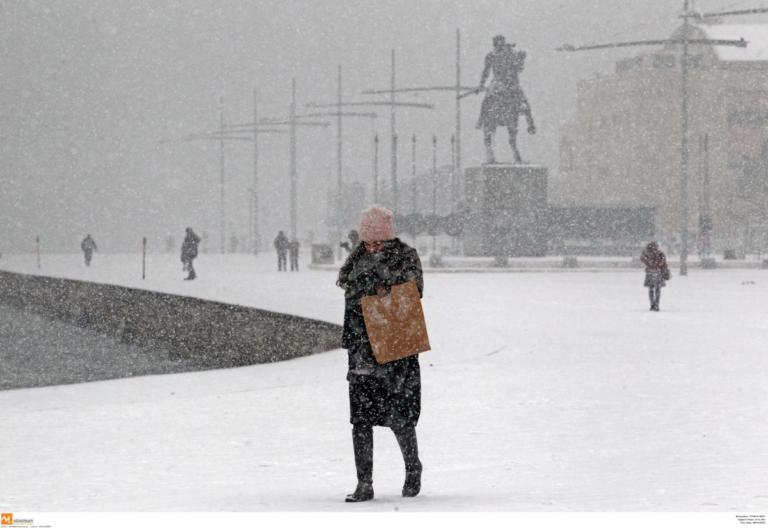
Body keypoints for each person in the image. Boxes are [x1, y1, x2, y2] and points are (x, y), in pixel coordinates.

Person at [336, 205, 424, 502]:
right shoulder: (355, 259)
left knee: (399, 416)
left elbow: (413, 291)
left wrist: (380, 288)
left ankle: (413, 468)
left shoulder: (405, 257)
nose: (372, 247)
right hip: (361, 347)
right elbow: (351, 293)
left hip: (394, 349)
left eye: (378, 242)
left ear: (388, 239)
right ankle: (365, 483)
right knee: (360, 418)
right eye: (368, 242)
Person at [474, 34, 536, 164]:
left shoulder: (502, 54)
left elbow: (517, 68)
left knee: (488, 100)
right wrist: (520, 58)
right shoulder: (500, 54)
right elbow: (517, 69)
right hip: (505, 83)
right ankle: (530, 124)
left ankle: (481, 120)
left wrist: (481, 85)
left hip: (503, 83)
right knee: (523, 102)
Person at [640, 241, 669, 311]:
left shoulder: (647, 254)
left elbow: (643, 259)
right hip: (658, 273)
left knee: (651, 289)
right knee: (658, 290)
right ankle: (656, 304)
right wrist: (660, 267)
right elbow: (663, 263)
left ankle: (652, 304)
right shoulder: (660, 254)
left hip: (650, 273)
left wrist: (650, 264)